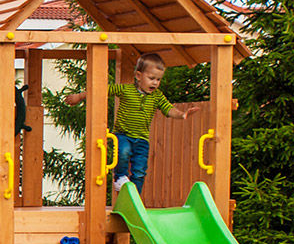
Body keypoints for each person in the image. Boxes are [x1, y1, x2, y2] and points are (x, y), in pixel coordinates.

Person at [65, 53, 198, 193]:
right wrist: (79, 96)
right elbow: (101, 91)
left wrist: (182, 114)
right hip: (123, 135)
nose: (155, 83)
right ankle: (120, 177)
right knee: (123, 152)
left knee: (140, 170)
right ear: (139, 76)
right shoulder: (126, 90)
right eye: (151, 78)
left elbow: (168, 109)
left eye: (158, 79)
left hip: (142, 139)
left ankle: (134, 196)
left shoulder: (157, 96)